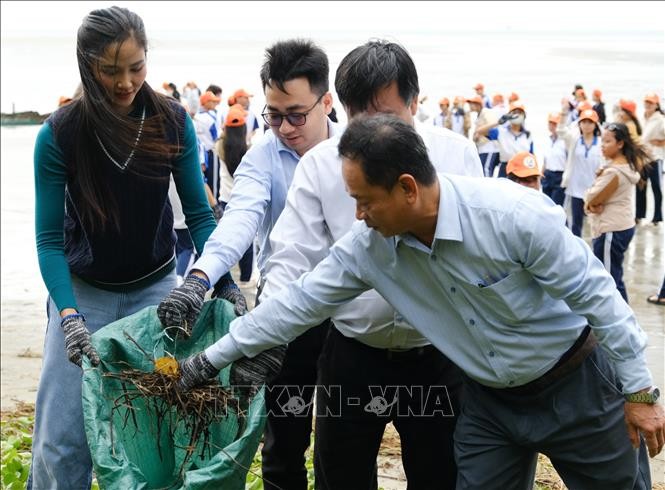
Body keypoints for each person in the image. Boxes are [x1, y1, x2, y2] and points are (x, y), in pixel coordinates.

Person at [179, 114, 663, 490]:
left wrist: (640, 393)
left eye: (365, 200)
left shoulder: (510, 215)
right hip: (490, 404)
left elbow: (598, 294)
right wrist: (207, 361)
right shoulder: (368, 248)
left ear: (407, 188)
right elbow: (296, 305)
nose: (358, 215)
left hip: (576, 385)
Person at [27, 7, 243, 489]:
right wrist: (68, 316)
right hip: (84, 294)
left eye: (136, 67)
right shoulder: (59, 134)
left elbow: (201, 215)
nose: (126, 82)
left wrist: (224, 282)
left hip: (156, 289)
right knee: (61, 439)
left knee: (156, 425)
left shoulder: (172, 122)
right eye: (110, 71)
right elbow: (48, 240)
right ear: (87, 66)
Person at [263, 39, 482, 489]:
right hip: (353, 353)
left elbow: (478, 255)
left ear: (415, 102)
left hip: (437, 350)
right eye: (361, 122)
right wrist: (267, 333)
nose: (374, 138)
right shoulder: (321, 165)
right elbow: (289, 258)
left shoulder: (455, 155)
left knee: (442, 475)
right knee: (341, 477)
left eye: (387, 118)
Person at [158, 38, 337, 490]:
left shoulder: (357, 147)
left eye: (297, 114)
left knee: (340, 446)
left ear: (327, 102)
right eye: (274, 115)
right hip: (285, 311)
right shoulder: (262, 154)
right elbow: (240, 219)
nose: (285, 127)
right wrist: (200, 278)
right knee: (282, 443)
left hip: (347, 316)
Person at [584, 122, 649, 302]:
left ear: (620, 144)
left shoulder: (613, 173)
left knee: (607, 280)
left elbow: (591, 197)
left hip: (610, 229)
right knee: (614, 276)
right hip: (623, 225)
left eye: (607, 141)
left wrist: (589, 203)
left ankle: (619, 324)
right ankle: (621, 322)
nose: (602, 146)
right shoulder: (627, 166)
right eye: (602, 141)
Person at [217, 104, 254, 284]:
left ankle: (226, 280)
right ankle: (245, 278)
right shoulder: (250, 149)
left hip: (225, 198)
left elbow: (222, 136)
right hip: (244, 199)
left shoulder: (219, 146)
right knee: (246, 242)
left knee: (227, 238)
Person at [559, 108, 603, 237]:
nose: (587, 125)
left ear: (596, 125)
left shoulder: (601, 143)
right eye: (584, 122)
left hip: (594, 190)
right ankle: (576, 251)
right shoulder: (574, 140)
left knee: (596, 221)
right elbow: (561, 131)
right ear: (579, 124)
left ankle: (596, 250)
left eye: (590, 122)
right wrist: (564, 112)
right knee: (576, 223)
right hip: (576, 189)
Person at [476, 101, 534, 178]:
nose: (517, 115)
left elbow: (532, 156)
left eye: (520, 113)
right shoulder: (501, 132)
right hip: (506, 169)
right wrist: (498, 122)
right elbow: (480, 131)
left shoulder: (527, 135)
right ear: (509, 115)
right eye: (514, 112)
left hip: (523, 169)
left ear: (524, 116)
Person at [637, 92, 664, 225]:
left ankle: (657, 217)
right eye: (646, 102)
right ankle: (639, 215)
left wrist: (662, 142)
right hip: (642, 158)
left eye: (651, 103)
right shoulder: (643, 117)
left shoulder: (660, 119)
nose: (648, 105)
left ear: (656, 105)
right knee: (640, 187)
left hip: (655, 158)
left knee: (656, 188)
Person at [195, 90, 223, 206]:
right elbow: (216, 136)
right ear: (206, 102)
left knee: (202, 181)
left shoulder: (196, 116)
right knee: (213, 182)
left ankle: (205, 204)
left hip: (199, 154)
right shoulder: (211, 118)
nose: (215, 104)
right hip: (211, 152)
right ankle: (214, 206)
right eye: (212, 101)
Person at [468, 95, 499, 177]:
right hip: (482, 148)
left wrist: (480, 133)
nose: (469, 106)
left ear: (478, 104)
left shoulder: (486, 112)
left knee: (486, 170)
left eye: (472, 104)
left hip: (490, 147)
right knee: (482, 171)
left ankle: (489, 189)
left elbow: (493, 125)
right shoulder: (479, 115)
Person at [541, 112, 567, 205]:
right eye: (550, 123)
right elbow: (545, 159)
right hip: (547, 174)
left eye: (555, 124)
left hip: (559, 175)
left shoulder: (565, 141)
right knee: (545, 203)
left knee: (556, 205)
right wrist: (541, 174)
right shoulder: (547, 139)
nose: (552, 126)